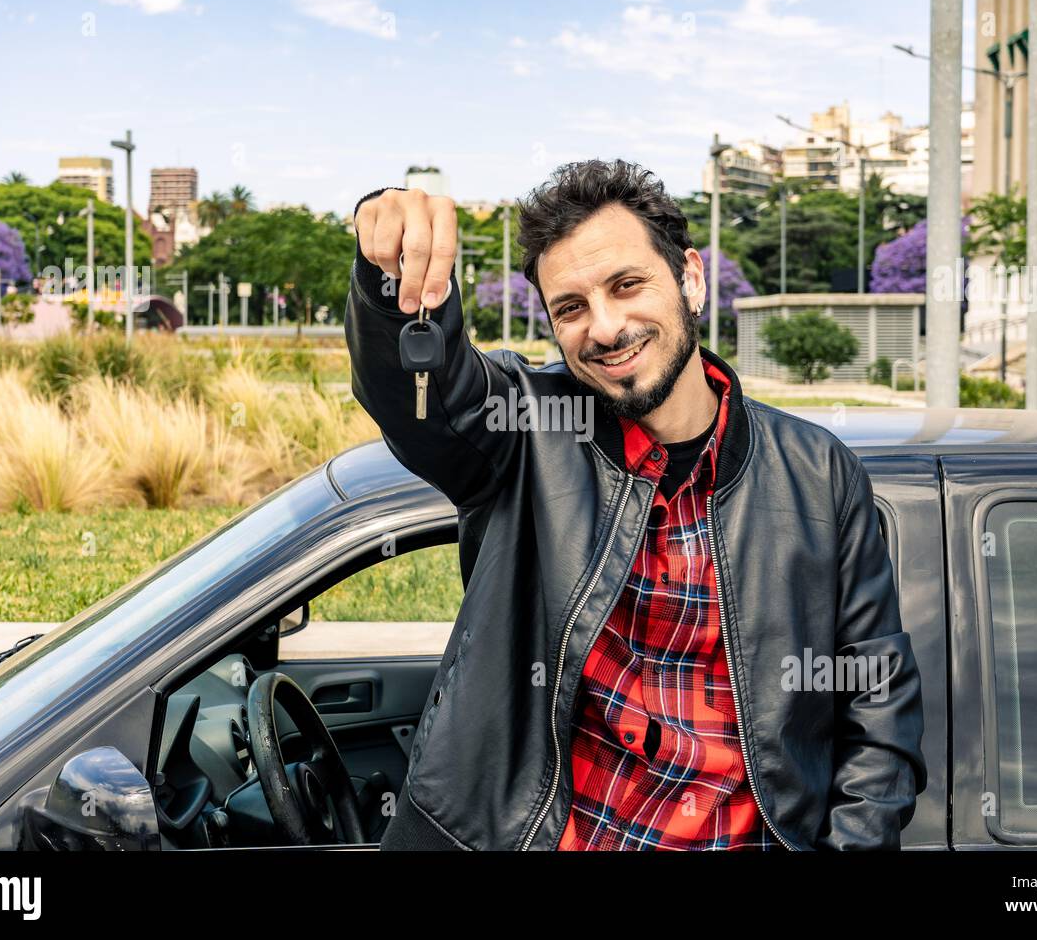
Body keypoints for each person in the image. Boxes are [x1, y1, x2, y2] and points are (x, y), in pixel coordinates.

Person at [345, 158, 926, 851]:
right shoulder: (527, 432)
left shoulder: (817, 473)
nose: (607, 327)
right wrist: (392, 283)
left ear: (691, 277)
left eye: (627, 285)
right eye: (571, 308)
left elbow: (877, 702)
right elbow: (423, 400)